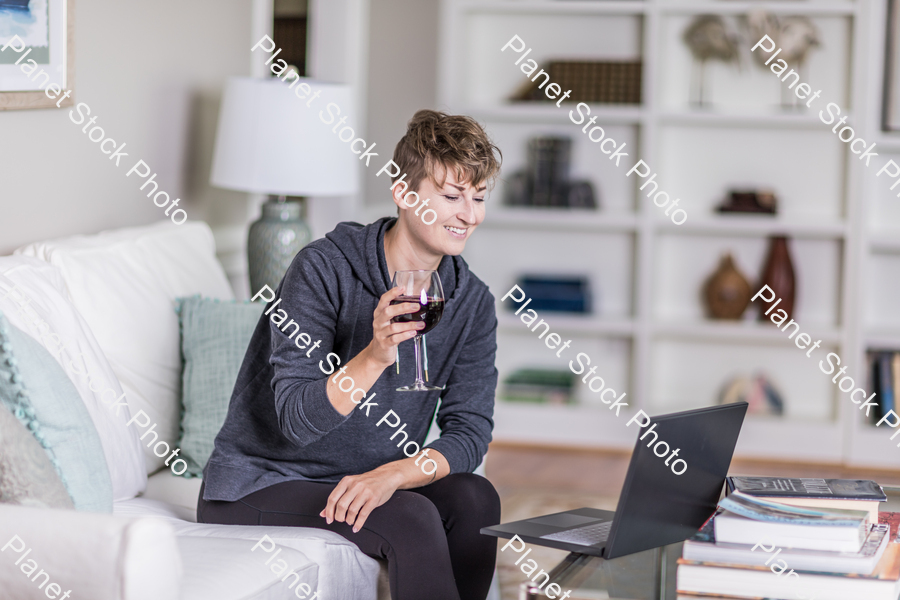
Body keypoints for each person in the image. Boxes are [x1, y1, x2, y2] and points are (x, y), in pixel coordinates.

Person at [198, 109, 503, 600]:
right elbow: (296, 421)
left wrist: (393, 474)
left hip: (360, 479)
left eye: (479, 196)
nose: (469, 214)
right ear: (404, 194)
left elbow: (470, 432)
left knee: (476, 497)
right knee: (410, 515)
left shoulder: (471, 301)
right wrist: (376, 355)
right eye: (450, 196)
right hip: (263, 481)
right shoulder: (322, 268)